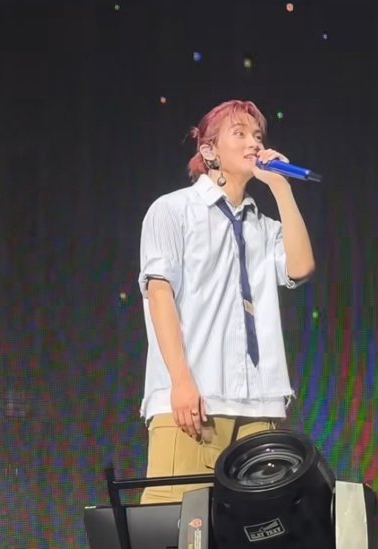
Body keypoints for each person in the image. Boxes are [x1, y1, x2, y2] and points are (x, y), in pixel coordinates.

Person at [138, 99, 315, 504]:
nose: (254, 144)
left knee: (254, 526)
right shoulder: (173, 210)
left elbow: (301, 266)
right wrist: (181, 382)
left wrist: (281, 187)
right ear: (209, 150)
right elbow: (160, 295)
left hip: (259, 407)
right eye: (240, 134)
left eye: (258, 136)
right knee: (177, 524)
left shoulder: (265, 227)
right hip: (196, 400)